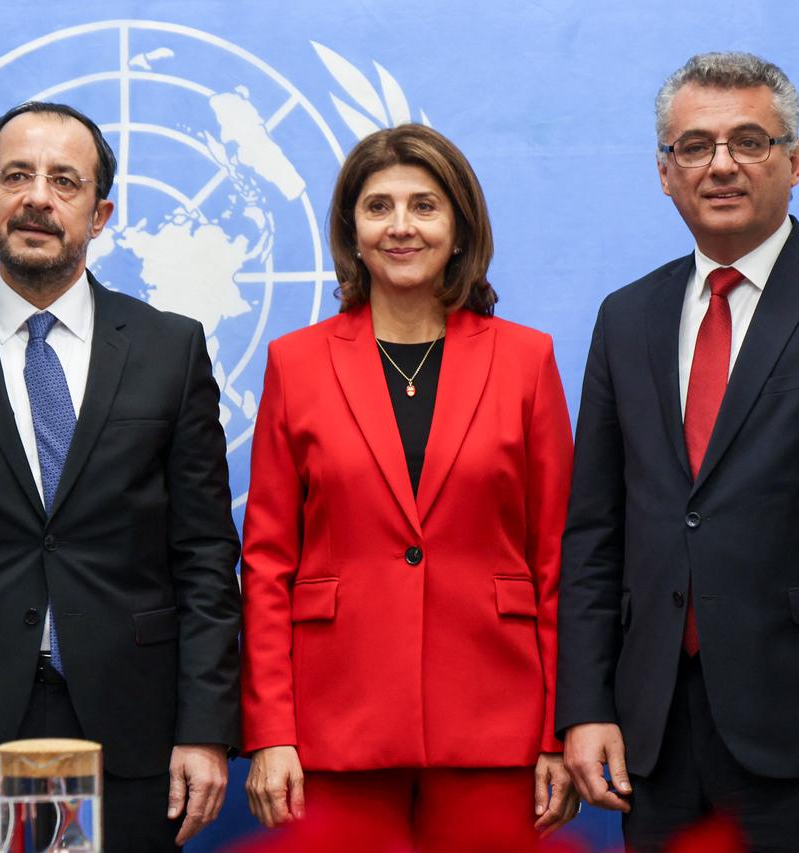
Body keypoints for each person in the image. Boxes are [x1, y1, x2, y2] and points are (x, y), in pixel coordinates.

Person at [556, 52, 799, 852]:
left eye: (751, 141)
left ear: (795, 160)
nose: (723, 165)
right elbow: (595, 534)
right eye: (695, 146)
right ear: (665, 172)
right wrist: (586, 706)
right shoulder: (626, 315)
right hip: (656, 736)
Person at [0, 101, 242, 851]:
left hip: (135, 730)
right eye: (16, 176)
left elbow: (206, 556)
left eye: (65, 181)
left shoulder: (169, 350)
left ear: (101, 213)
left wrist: (206, 729)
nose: (37, 197)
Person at [239, 123, 579, 851]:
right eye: (378, 207)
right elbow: (267, 564)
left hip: (498, 725)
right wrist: (271, 730)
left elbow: (558, 559)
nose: (401, 226)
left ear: (459, 228)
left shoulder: (526, 360)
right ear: (351, 232)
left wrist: (560, 728)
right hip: (336, 729)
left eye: (424, 206)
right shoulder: (295, 365)